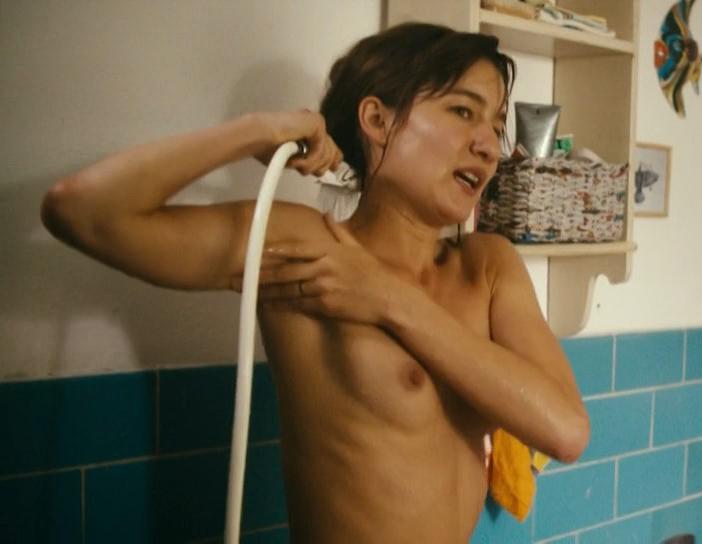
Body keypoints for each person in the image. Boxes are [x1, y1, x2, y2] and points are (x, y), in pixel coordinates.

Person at [41, 23, 589, 543]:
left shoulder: (488, 266)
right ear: (376, 120)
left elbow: (566, 431)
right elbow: (81, 212)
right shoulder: (308, 249)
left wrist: (389, 299)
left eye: (496, 125)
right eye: (463, 111)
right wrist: (257, 131)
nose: (489, 146)